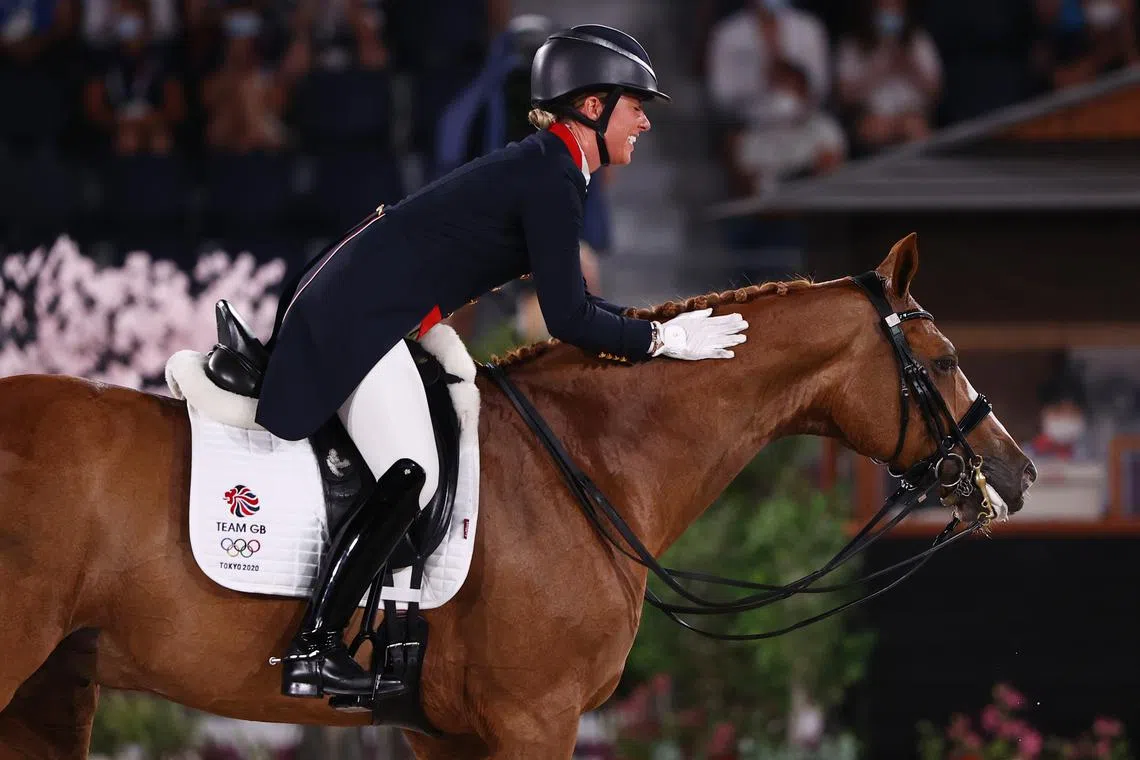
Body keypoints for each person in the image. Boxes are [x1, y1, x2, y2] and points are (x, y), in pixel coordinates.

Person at [255, 23, 750, 702]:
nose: (644, 122)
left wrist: (653, 333)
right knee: (413, 473)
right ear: (593, 106)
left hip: (377, 312)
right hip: (359, 320)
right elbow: (570, 319)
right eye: (635, 106)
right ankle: (314, 646)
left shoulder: (552, 167)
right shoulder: (552, 175)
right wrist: (662, 340)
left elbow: (568, 305)